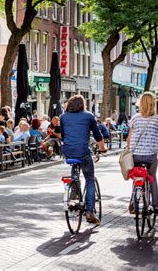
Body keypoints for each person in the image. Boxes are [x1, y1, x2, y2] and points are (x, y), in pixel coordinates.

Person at [60, 95, 107, 226]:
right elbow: (98, 135)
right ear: (83, 105)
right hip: (83, 151)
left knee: (75, 165)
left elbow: (63, 135)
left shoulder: (63, 117)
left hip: (69, 151)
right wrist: (102, 148)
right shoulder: (89, 116)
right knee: (90, 179)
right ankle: (89, 211)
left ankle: (74, 190)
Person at [126, 92, 158, 215]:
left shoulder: (135, 118)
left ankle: (133, 201)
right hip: (150, 156)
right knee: (152, 178)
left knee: (137, 176)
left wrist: (128, 148)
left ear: (140, 104)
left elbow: (129, 138)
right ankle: (155, 205)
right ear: (153, 104)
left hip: (135, 154)